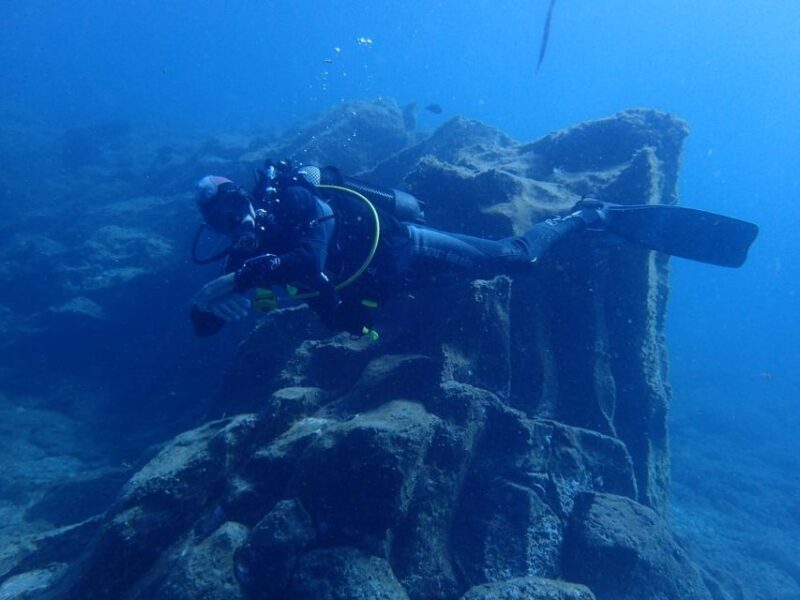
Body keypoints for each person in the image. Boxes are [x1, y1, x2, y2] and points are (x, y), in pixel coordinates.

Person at [190, 160, 758, 338]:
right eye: (218, 217)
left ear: (247, 192)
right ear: (212, 228)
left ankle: (587, 215)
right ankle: (587, 233)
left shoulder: (291, 199)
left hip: (405, 247)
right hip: (384, 286)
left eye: (232, 202)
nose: (232, 216)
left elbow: (309, 266)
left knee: (515, 259)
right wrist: (207, 309)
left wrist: (236, 282)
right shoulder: (245, 255)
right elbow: (256, 304)